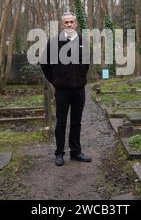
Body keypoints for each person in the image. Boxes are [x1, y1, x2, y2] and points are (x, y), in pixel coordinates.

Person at [40, 12, 92, 166]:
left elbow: (86, 62)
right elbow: (44, 64)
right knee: (61, 122)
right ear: (62, 25)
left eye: (72, 22)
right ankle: (59, 153)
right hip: (62, 90)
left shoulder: (82, 41)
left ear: (76, 24)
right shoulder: (54, 42)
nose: (69, 25)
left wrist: (81, 75)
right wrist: (55, 81)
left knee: (76, 122)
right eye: (66, 22)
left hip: (79, 89)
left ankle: (76, 152)